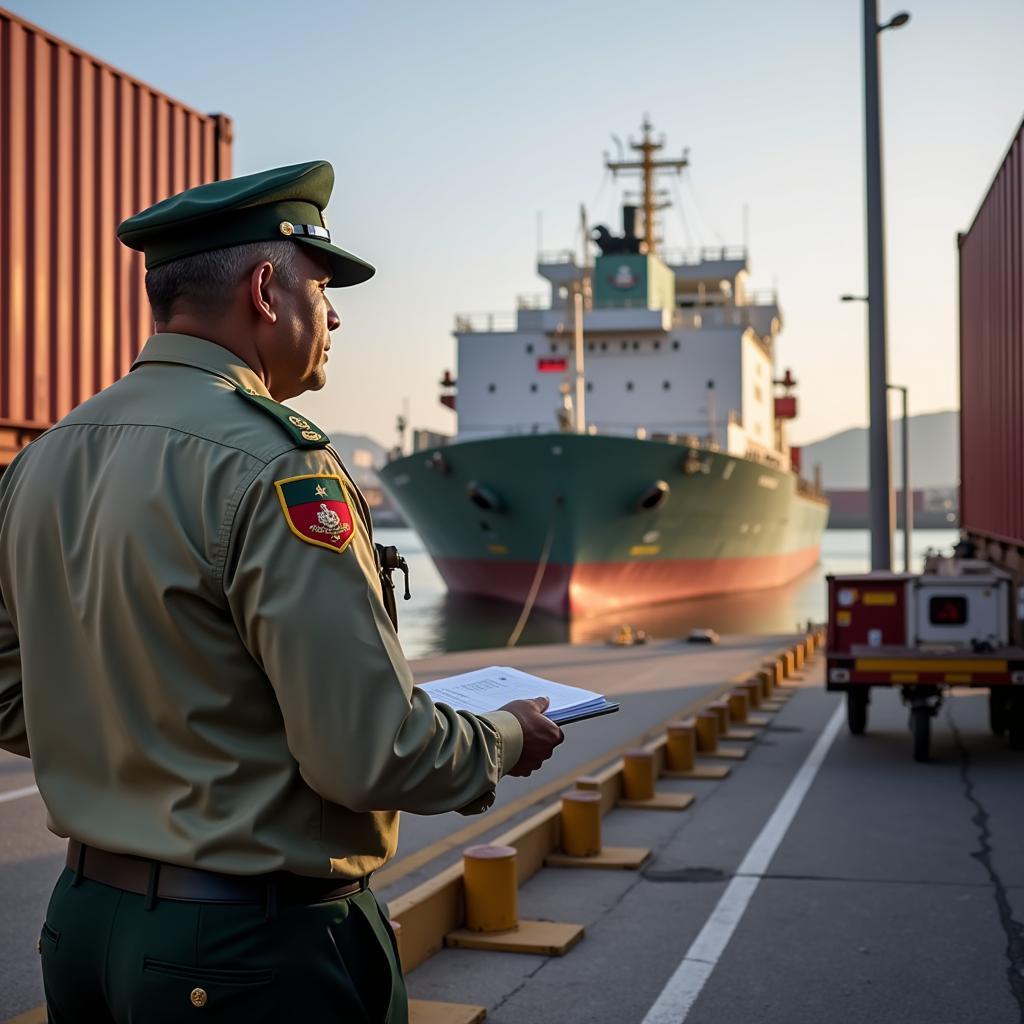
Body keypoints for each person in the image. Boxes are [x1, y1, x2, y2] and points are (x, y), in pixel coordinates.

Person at [0, 160, 564, 1023]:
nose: (333, 313)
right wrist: (499, 736)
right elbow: (367, 752)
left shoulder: (44, 457)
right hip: (246, 953)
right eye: (321, 284)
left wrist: (135, 729)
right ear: (266, 289)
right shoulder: (278, 463)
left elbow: (12, 690)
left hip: (83, 931)